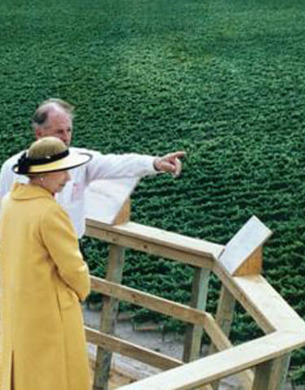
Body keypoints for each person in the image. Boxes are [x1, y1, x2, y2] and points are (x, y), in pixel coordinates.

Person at [0, 99, 185, 238]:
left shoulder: (81, 161)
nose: (66, 137)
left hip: (68, 250)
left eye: (69, 130)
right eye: (59, 131)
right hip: (24, 256)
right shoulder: (12, 168)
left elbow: (118, 164)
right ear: (39, 134)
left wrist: (155, 163)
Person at [0, 137, 92, 390]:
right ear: (43, 175)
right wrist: (83, 290)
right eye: (62, 171)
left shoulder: (8, 203)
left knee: (24, 370)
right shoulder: (49, 212)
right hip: (50, 311)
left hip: (18, 305)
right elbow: (73, 267)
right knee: (56, 375)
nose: (67, 178)